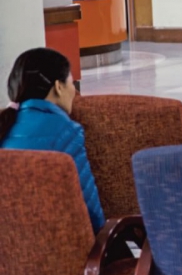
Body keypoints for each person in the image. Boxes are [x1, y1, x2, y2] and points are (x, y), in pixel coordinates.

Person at [0, 48, 106, 232]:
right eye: (72, 83)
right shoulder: (66, 132)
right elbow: (90, 210)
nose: (74, 91)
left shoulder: (5, 125)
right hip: (59, 248)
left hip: (10, 252)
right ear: (58, 87)